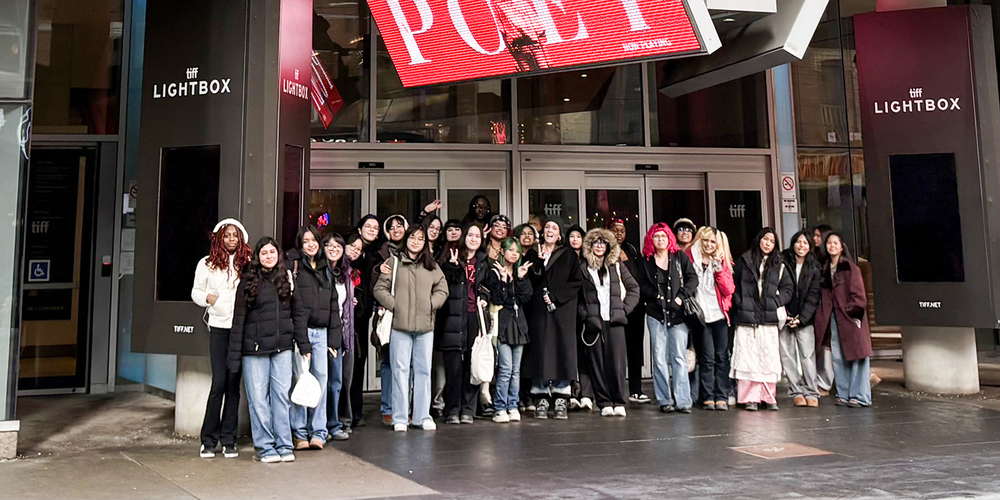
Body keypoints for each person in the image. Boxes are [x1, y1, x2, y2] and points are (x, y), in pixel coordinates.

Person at [228, 237, 311, 463]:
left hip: (282, 348)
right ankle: (265, 447)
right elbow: (238, 321)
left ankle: (284, 445)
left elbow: (298, 314)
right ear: (257, 257)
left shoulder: (287, 279)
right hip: (254, 350)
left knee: (281, 398)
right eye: (264, 253)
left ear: (279, 255)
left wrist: (304, 345)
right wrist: (234, 357)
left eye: (272, 252)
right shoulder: (247, 282)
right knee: (258, 400)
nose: (268, 257)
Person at [372, 225, 449, 432]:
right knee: (400, 371)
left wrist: (432, 303)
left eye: (420, 239)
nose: (416, 242)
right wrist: (395, 305)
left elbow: (443, 288)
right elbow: (379, 288)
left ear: (425, 243)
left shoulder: (431, 265)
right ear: (406, 239)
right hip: (400, 326)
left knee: (424, 371)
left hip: (425, 326)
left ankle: (422, 416)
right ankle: (400, 417)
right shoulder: (394, 262)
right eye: (412, 237)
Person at [191, 218, 251, 459]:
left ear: (241, 238)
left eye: (235, 235)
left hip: (240, 330)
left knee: (233, 385)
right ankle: (208, 440)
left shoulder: (247, 263)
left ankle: (229, 439)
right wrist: (209, 299)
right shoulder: (206, 264)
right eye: (227, 235)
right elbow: (195, 292)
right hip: (218, 328)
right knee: (219, 383)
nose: (231, 239)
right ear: (219, 238)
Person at [523, 219, 582, 420]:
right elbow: (532, 279)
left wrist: (556, 295)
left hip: (562, 311)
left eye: (554, 228)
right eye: (546, 227)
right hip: (539, 310)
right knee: (541, 349)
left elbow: (576, 282)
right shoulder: (533, 253)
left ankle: (560, 395)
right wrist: (539, 262)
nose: (550, 230)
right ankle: (540, 394)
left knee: (561, 349)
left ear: (559, 236)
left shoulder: (568, 255)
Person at [636, 223, 698, 414]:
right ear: (651, 240)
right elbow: (641, 284)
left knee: (679, 357)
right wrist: (655, 297)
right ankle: (665, 399)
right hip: (656, 314)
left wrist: (680, 298)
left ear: (669, 238)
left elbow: (692, 279)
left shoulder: (679, 257)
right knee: (659, 358)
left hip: (678, 315)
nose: (660, 240)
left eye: (663, 236)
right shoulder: (646, 260)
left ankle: (683, 400)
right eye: (656, 237)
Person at [730, 228, 794, 411]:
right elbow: (733, 285)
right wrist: (740, 302)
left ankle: (768, 396)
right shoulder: (745, 260)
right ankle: (750, 398)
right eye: (765, 239)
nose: (768, 243)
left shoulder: (779, 263)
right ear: (759, 240)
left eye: (772, 241)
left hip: (768, 317)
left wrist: (776, 301)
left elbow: (788, 288)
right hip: (746, 316)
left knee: (767, 357)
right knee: (748, 358)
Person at [578, 228, 640, 417]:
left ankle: (619, 400)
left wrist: (623, 310)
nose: (599, 246)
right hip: (594, 323)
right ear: (589, 246)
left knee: (617, 364)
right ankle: (604, 402)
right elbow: (577, 298)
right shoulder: (583, 267)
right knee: (597, 364)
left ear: (608, 246)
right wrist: (586, 315)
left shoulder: (617, 265)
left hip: (614, 322)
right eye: (595, 243)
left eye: (602, 243)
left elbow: (634, 289)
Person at [287, 226, 333, 450]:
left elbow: (333, 307)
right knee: (301, 381)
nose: (311, 244)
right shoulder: (295, 267)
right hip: (301, 332)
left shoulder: (326, 269)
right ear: (300, 245)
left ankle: (319, 432)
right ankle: (299, 433)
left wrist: (334, 340)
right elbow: (295, 307)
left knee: (321, 382)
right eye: (306, 241)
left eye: (314, 240)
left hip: (322, 332)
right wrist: (301, 338)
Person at [437, 223, 489, 424]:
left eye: (477, 236)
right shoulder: (451, 257)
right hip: (452, 316)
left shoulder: (484, 261)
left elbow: (488, 285)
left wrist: (484, 295)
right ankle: (452, 409)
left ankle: (468, 409)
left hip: (473, 316)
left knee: (472, 364)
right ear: (464, 237)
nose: (474, 239)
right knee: (453, 367)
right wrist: (452, 267)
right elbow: (443, 285)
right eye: (470, 235)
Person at [814, 232, 872, 408]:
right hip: (833, 318)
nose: (832, 246)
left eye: (835, 243)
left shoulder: (850, 267)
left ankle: (860, 395)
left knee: (857, 356)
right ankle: (844, 393)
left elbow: (859, 296)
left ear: (841, 246)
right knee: (838, 357)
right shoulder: (824, 269)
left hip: (851, 318)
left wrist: (853, 314)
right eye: (829, 243)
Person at [484, 238, 533, 423]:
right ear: (502, 252)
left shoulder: (521, 272)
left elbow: (526, 297)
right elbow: (497, 299)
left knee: (516, 370)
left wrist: (520, 278)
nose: (514, 253)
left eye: (517, 251)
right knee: (505, 369)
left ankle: (513, 405)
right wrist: (503, 280)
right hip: (503, 325)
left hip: (519, 325)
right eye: (510, 249)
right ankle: (499, 407)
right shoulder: (494, 272)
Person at [687, 226, 736, 411]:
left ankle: (721, 395)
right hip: (701, 316)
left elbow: (728, 290)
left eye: (712, 242)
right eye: (705, 240)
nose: (708, 244)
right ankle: (708, 396)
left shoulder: (722, 262)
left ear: (718, 245)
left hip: (719, 315)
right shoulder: (692, 258)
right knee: (707, 357)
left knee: (722, 356)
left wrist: (718, 270)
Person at [778, 231, 823, 408]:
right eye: (798, 242)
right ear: (793, 243)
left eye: (805, 243)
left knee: (807, 356)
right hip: (785, 317)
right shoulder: (783, 261)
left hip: (805, 320)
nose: (801, 246)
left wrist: (802, 318)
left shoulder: (814, 266)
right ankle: (796, 391)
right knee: (788, 356)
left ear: (810, 246)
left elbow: (814, 296)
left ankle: (812, 391)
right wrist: (786, 314)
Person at [608, 219, 649, 405]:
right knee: (614, 350)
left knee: (635, 350)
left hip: (635, 308)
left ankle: (636, 389)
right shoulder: (604, 250)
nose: (619, 234)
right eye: (615, 230)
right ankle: (613, 390)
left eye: (622, 230)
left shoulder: (632, 250)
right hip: (614, 307)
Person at [374, 214, 408, 425]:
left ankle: (405, 407)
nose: (396, 230)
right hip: (387, 313)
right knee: (387, 362)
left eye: (399, 226)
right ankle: (388, 407)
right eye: (391, 227)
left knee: (407, 364)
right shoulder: (380, 254)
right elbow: (373, 286)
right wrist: (378, 270)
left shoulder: (415, 252)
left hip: (410, 314)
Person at [322, 233, 356, 440]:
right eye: (329, 245)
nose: (334, 249)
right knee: (323, 380)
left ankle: (334, 423)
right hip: (322, 331)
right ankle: (320, 426)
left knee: (337, 381)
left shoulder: (346, 273)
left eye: (338, 245)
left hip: (342, 332)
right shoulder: (318, 272)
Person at [349, 215, 380, 429]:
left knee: (359, 364)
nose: (371, 230)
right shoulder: (342, 259)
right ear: (359, 229)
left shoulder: (375, 256)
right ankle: (343, 413)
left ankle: (355, 412)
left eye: (375, 227)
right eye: (367, 226)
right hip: (343, 318)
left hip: (361, 317)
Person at [810, 223, 835, 395]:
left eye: (819, 236)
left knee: (827, 344)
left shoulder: (829, 260)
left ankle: (825, 383)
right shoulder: (816, 257)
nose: (815, 239)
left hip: (829, 307)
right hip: (820, 306)